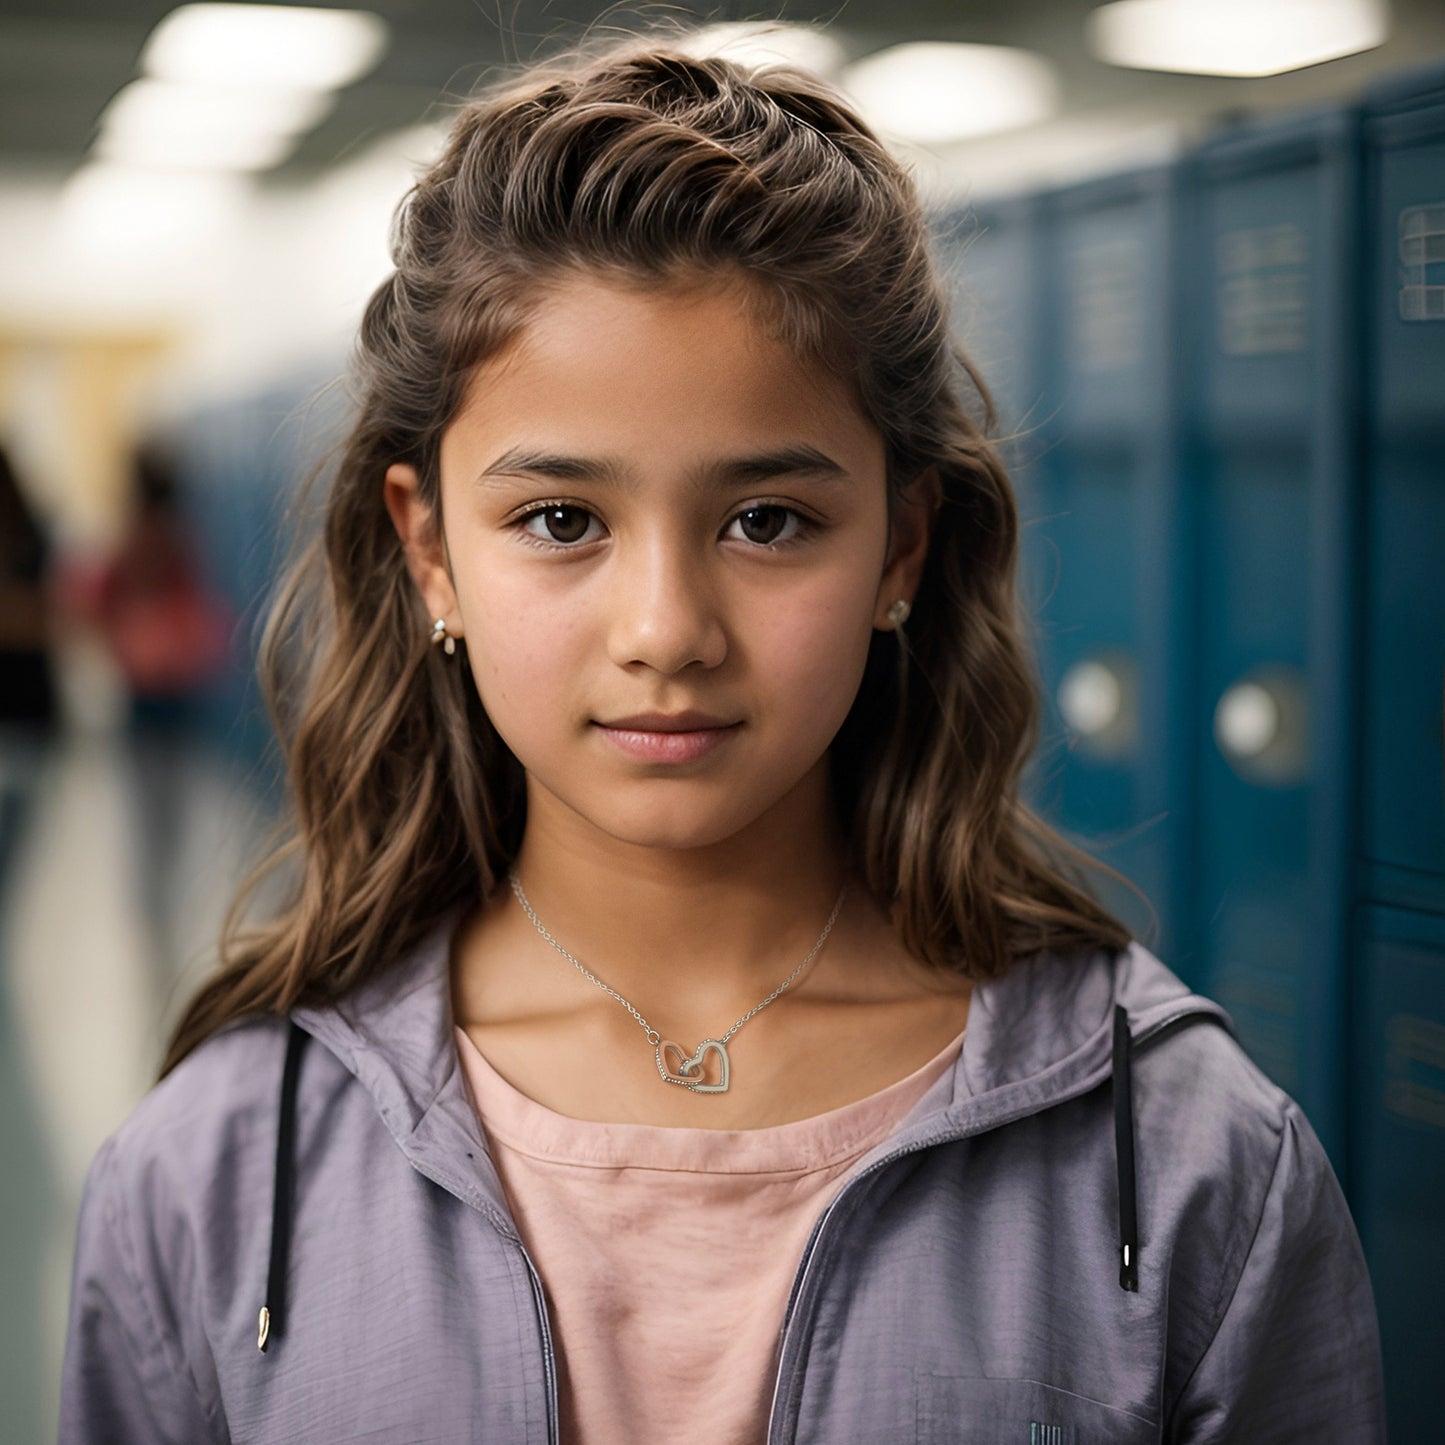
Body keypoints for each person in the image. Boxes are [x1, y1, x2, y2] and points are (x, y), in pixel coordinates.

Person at [57, 40, 1384, 1444]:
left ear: (902, 548)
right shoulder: (217, 1172)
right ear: (429, 550)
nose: (667, 628)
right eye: (561, 519)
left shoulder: (1181, 1159)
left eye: (767, 520)